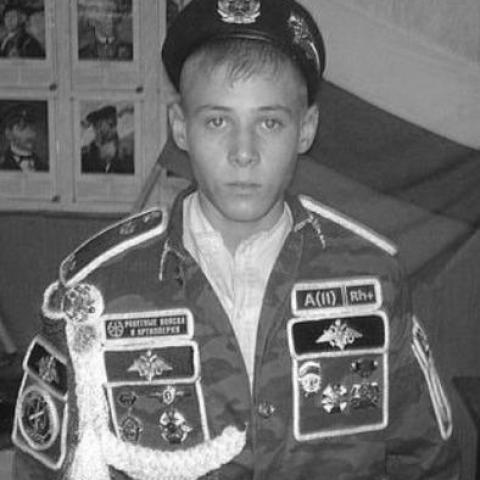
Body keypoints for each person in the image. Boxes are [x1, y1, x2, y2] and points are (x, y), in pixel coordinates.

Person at [12, 0, 460, 478]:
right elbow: (41, 468)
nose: (243, 153)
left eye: (269, 122)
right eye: (217, 121)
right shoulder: (97, 294)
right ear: (180, 127)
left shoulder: (371, 277)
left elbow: (428, 461)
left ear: (306, 129)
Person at [81, 105, 134, 174]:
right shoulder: (85, 157)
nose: (115, 130)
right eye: (111, 125)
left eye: (115, 125)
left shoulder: (125, 156)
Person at [0, 103, 47, 171]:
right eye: (22, 128)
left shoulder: (45, 166)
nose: (30, 134)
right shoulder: (2, 165)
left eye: (32, 128)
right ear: (8, 134)